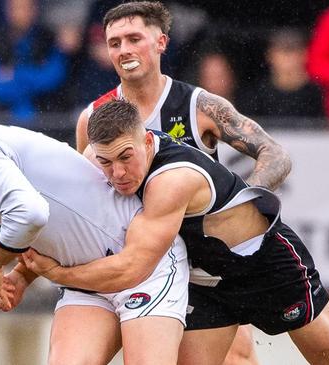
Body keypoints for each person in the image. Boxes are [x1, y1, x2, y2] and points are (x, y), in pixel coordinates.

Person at [23, 99, 329, 365]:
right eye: (107, 163)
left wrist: (55, 274)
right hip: (206, 281)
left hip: (265, 267)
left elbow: (132, 267)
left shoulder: (174, 178)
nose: (117, 173)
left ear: (148, 141)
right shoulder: (103, 156)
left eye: (126, 158)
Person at [0, 77, 190, 365]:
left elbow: (30, 212)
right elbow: (48, 221)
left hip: (144, 269)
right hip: (85, 280)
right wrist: (23, 274)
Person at [75, 4, 290, 362]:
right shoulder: (93, 118)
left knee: (239, 357)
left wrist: (238, 209)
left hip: (205, 265)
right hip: (141, 264)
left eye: (133, 39)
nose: (124, 50)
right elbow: (83, 199)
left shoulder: (199, 105)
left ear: (161, 43)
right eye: (114, 43)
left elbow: (275, 154)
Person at [0, 0, 72, 124]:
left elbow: (54, 76)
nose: (23, 13)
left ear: (36, 9)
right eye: (17, 8)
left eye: (28, 8)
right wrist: (34, 77)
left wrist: (15, 75)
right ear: (6, 9)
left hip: (45, 118)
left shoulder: (48, 40)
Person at [237, 27, 324, 119]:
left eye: (293, 51)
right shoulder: (256, 95)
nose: (288, 58)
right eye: (282, 52)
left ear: (305, 55)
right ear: (270, 56)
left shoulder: (318, 94)